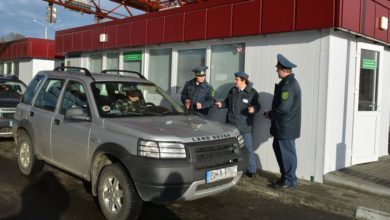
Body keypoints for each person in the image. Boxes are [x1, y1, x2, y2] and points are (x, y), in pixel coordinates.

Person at [263, 54, 302, 189]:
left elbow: (283, 108)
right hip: (283, 127)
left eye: (278, 69)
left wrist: (271, 114)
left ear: (284, 70)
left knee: (286, 153)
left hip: (285, 128)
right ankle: (286, 177)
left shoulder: (288, 85)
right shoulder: (287, 83)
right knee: (281, 152)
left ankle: (290, 180)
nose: (276, 71)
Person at [215, 72, 260, 177]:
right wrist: (221, 104)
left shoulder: (252, 93)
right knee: (230, 148)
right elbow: (227, 102)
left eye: (237, 79)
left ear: (243, 80)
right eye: (235, 79)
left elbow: (257, 105)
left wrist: (253, 109)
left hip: (244, 126)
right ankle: (231, 167)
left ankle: (252, 170)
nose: (235, 81)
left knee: (248, 148)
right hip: (231, 125)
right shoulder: (233, 91)